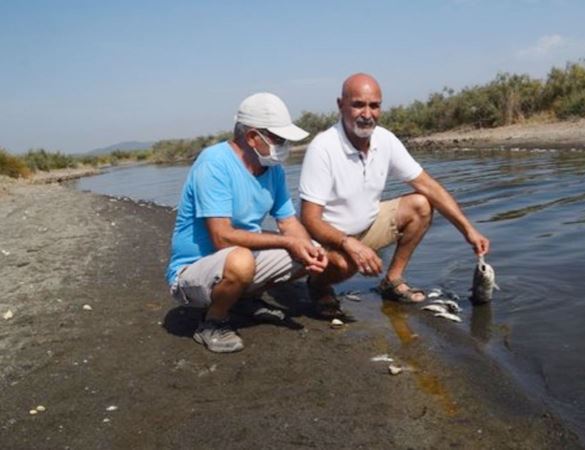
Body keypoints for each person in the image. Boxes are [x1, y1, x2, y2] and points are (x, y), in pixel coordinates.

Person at [298, 73, 489, 319]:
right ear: (340, 105)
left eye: (374, 105)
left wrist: (468, 230)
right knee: (345, 264)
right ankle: (318, 286)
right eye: (358, 104)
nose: (367, 114)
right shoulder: (322, 147)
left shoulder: (385, 140)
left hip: (367, 226)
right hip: (329, 238)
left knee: (421, 204)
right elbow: (310, 220)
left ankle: (392, 280)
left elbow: (428, 185)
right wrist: (350, 244)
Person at [166, 92, 327, 353]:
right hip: (192, 272)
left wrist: (307, 248)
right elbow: (222, 237)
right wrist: (288, 241)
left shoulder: (272, 169)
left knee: (311, 249)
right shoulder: (214, 163)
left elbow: (288, 222)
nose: (284, 146)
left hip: (238, 259)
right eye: (278, 139)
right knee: (242, 260)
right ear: (253, 137)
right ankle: (212, 323)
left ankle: (243, 299)